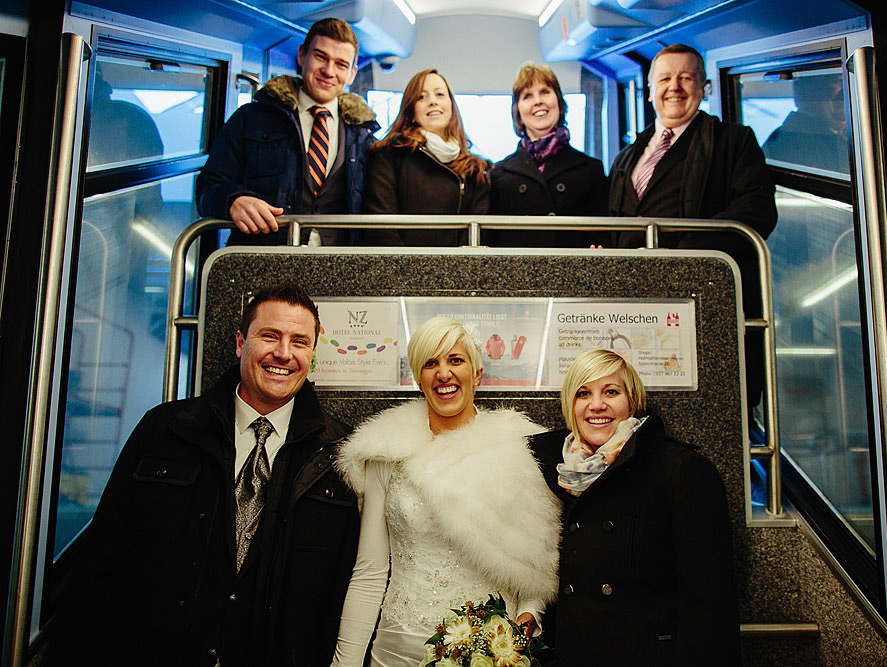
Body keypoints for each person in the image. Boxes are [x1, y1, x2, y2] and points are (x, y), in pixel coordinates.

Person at [64, 283, 360, 666]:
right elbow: (102, 561)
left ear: (312, 354)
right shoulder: (165, 430)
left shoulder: (339, 453)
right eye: (269, 336)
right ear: (240, 342)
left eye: (299, 342)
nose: (284, 353)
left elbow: (343, 591)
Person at [331, 317, 560, 666]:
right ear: (418, 378)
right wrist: (343, 662)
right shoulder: (386, 451)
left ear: (477, 373)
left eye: (455, 360)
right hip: (397, 649)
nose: (443, 373)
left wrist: (529, 613)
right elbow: (370, 572)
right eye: (430, 363)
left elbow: (534, 557)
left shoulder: (517, 447)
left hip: (489, 651)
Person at [531, 349, 739, 665]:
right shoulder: (552, 471)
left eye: (611, 392)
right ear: (571, 406)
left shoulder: (681, 471)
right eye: (583, 393)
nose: (596, 405)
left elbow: (709, 605)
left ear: (633, 402)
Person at [609, 44, 776, 408]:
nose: (675, 87)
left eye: (686, 78)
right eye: (665, 79)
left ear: (704, 87)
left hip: (702, 303)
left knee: (709, 408)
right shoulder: (628, 155)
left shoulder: (734, 142)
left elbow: (757, 210)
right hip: (636, 308)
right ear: (650, 89)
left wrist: (678, 259)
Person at [196, 18, 379, 246]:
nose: (328, 71)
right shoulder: (251, 118)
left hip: (337, 268)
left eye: (341, 64)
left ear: (352, 73)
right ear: (302, 56)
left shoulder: (364, 137)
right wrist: (233, 200)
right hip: (265, 262)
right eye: (320, 57)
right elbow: (207, 188)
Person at [361, 69, 490, 246]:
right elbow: (382, 227)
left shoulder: (476, 169)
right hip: (401, 269)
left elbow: (476, 237)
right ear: (411, 111)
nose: (433, 102)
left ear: (451, 105)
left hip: (456, 270)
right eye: (422, 97)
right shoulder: (389, 153)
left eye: (439, 94)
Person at [487, 62, 610, 247]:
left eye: (545, 92)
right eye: (527, 96)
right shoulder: (499, 175)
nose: (538, 101)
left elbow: (605, 237)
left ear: (560, 104)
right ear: (518, 113)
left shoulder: (591, 170)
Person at [762, 72, 850, 173]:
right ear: (806, 92)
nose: (845, 92)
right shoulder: (795, 141)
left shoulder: (836, 136)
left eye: (847, 82)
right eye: (837, 81)